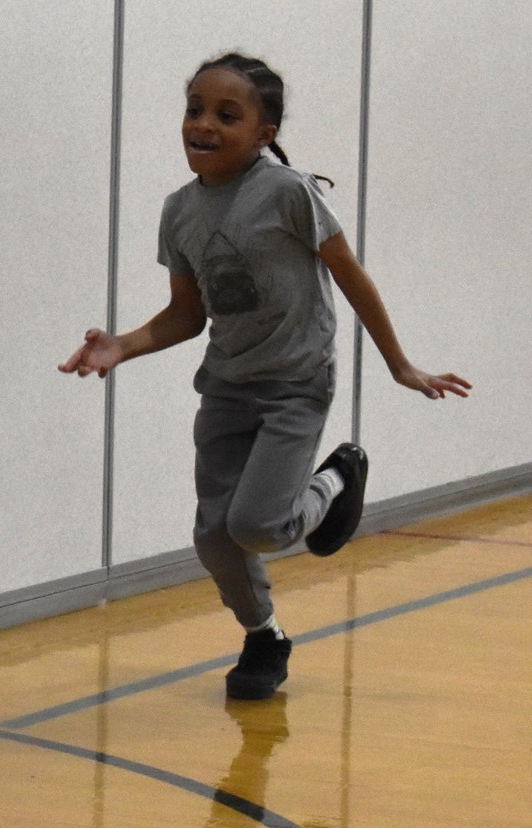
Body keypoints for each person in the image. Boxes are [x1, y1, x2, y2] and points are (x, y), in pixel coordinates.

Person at [59, 53, 471, 700]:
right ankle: (265, 636)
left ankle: (338, 476)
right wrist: (122, 346)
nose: (204, 123)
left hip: (295, 383)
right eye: (195, 109)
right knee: (213, 536)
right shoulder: (179, 212)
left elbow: (350, 275)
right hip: (226, 385)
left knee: (256, 525)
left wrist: (399, 364)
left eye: (227, 114)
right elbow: (187, 315)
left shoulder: (287, 192)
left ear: (264, 133)